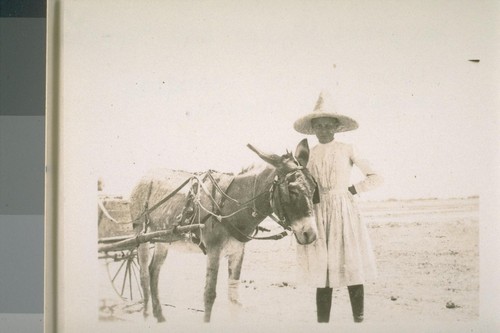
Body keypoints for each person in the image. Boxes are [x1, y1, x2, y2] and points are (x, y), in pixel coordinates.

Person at [293, 91, 383, 323]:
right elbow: (305, 185)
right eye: (319, 126)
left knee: (351, 262)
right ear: (313, 129)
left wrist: (352, 190)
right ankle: (323, 323)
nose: (323, 130)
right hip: (320, 212)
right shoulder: (309, 155)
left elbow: (376, 176)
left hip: (344, 211)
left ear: (336, 127)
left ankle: (359, 320)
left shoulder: (347, 149)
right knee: (323, 268)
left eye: (327, 125)